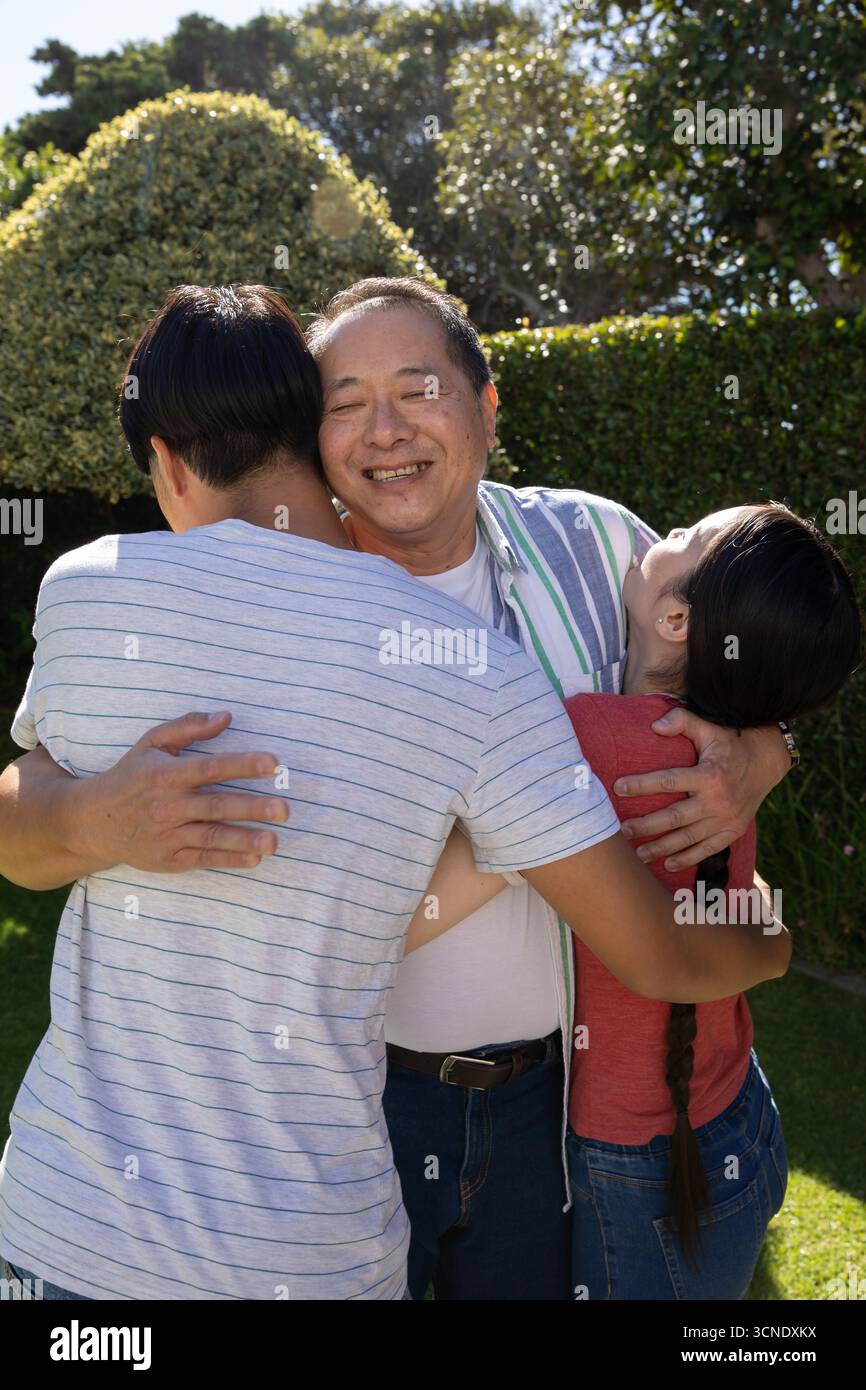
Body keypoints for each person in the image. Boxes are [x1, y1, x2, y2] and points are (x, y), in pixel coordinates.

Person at [0, 278, 796, 1301]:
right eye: (344, 401)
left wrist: (763, 746)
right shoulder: (361, 638)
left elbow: (753, 635)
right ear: (308, 431)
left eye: (419, 389)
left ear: (487, 405)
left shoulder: (598, 548)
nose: (385, 431)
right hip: (363, 1108)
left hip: (541, 1096)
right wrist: (86, 812)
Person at [407, 502, 861, 1299]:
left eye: (682, 538)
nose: (660, 536)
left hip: (634, 1150)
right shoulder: (726, 731)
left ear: (678, 618)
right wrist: (773, 743)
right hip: (728, 1104)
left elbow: (414, 892)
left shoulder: (589, 733)